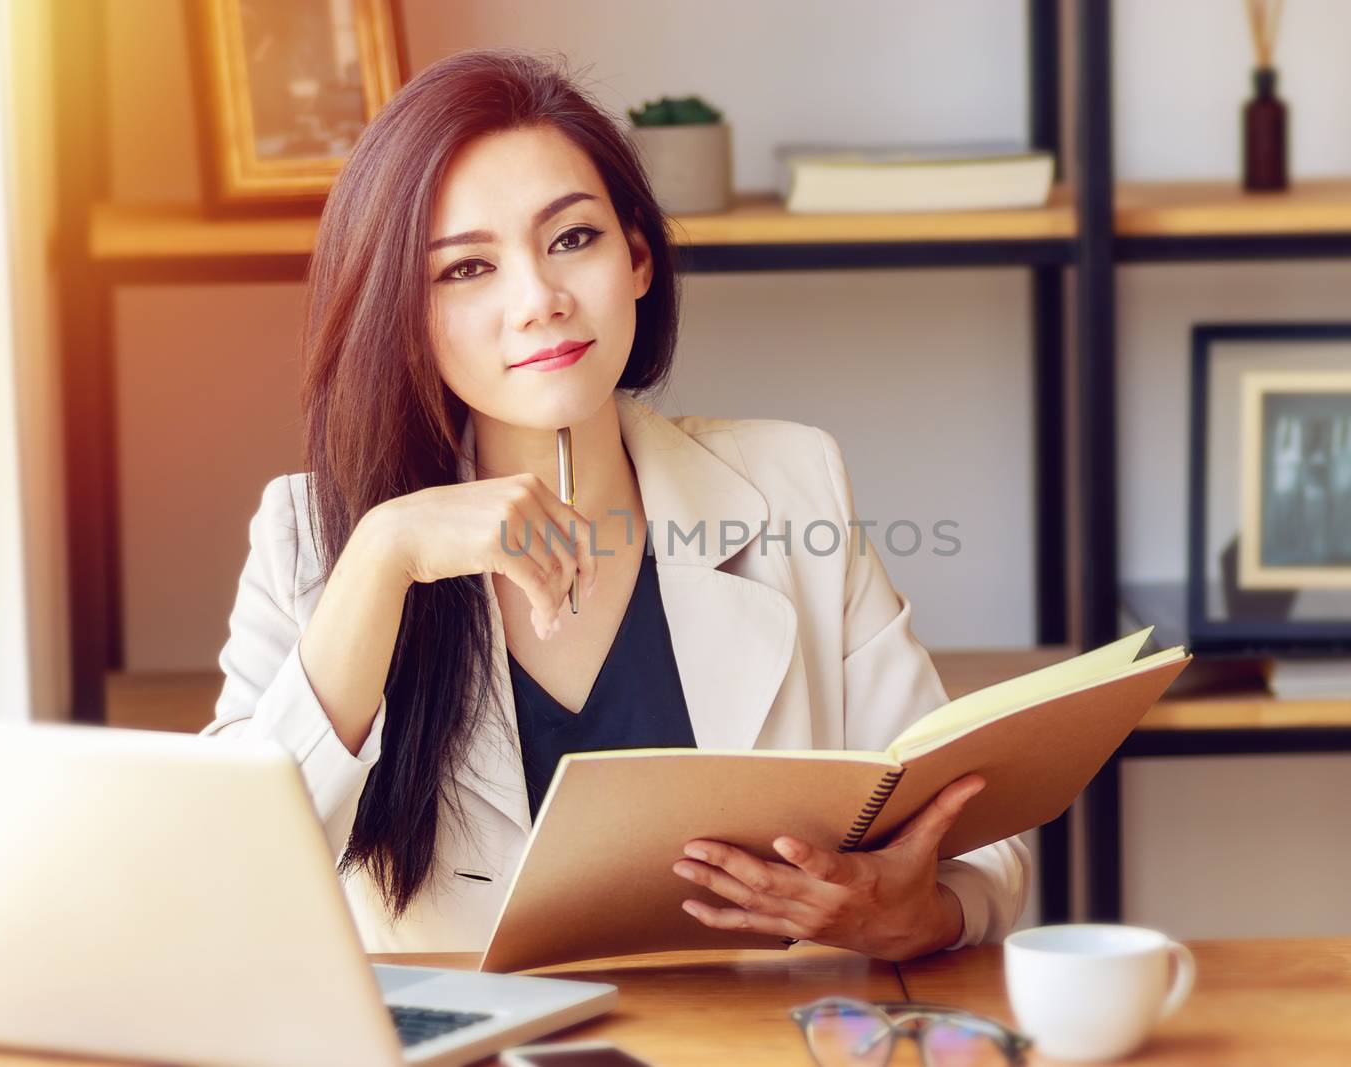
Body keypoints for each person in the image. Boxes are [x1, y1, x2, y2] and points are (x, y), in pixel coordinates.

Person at [204, 47, 1032, 960]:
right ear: (406, 312)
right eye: (465, 270)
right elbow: (230, 876)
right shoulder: (314, 540)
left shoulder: (795, 485)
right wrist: (385, 555)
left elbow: (972, 836)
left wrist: (916, 912)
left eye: (572, 239)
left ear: (637, 256)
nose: (539, 300)